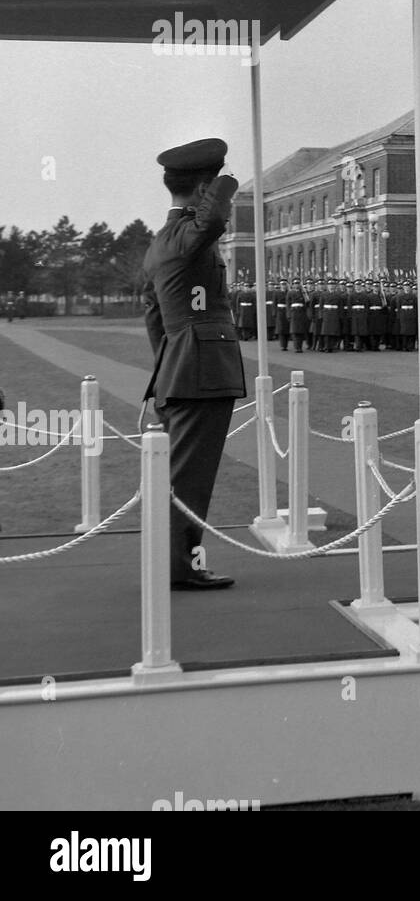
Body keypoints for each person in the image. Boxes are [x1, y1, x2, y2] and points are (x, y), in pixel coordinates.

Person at [141, 137, 246, 591]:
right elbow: (216, 217)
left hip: (182, 369)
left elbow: (153, 316)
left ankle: (176, 562)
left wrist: (169, 364)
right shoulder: (187, 236)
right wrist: (225, 182)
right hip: (200, 372)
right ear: (202, 186)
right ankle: (178, 568)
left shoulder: (162, 241)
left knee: (183, 477)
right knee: (189, 481)